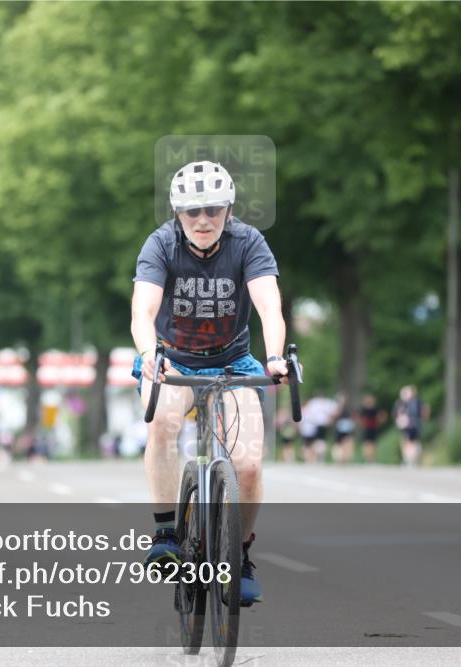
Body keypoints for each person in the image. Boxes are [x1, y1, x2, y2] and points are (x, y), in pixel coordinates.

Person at [131, 160, 291, 606]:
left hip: (233, 363)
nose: (203, 221)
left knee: (250, 464)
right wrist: (149, 356)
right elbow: (142, 312)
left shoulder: (249, 242)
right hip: (172, 359)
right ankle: (165, 533)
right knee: (163, 422)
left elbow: (268, 307)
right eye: (191, 212)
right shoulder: (161, 244)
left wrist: (275, 356)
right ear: (176, 214)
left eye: (213, 210)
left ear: (229, 210)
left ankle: (239, 557)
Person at [393, 385, 428, 467]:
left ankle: (411, 459)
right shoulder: (403, 402)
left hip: (413, 425)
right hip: (407, 425)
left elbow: (424, 410)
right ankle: (408, 459)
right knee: (407, 441)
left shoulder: (416, 402)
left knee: (412, 442)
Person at [299, 394, 337, 464]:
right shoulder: (314, 405)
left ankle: (312, 458)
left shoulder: (312, 405)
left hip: (314, 428)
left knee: (313, 444)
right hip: (313, 428)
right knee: (313, 444)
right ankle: (312, 458)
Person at [357, 393, 384, 463]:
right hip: (367, 427)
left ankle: (372, 458)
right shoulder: (364, 409)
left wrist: (379, 422)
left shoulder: (375, 408)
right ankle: (368, 457)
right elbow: (359, 418)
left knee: (372, 443)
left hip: (373, 427)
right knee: (367, 443)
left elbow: (381, 416)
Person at [331, 392, 356, 464]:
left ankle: (345, 458)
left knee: (347, 442)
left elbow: (352, 416)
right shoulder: (336, 407)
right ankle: (339, 458)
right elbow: (334, 416)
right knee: (339, 443)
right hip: (340, 427)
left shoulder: (348, 407)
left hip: (346, 426)